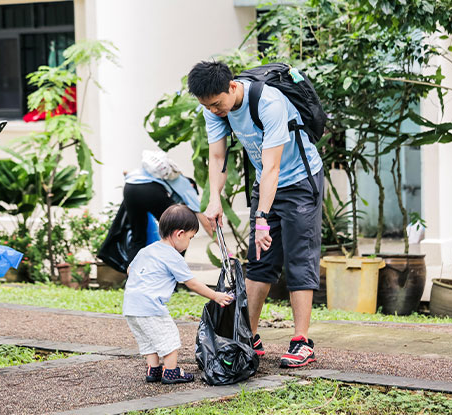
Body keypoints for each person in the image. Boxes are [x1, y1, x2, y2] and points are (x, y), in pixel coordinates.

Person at [188, 61, 323, 368]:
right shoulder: (212, 109)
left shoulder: (269, 102)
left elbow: (274, 166)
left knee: (299, 257)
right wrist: (214, 200)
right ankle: (248, 335)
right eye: (206, 106)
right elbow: (218, 156)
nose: (214, 110)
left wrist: (262, 218)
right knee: (260, 260)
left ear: (232, 87)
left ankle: (301, 341)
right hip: (265, 183)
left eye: (217, 104)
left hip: (300, 179)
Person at [123, 204, 233, 384]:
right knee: (169, 337)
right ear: (179, 234)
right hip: (151, 306)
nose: (189, 242)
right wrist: (216, 295)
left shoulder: (147, 250)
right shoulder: (173, 256)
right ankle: (171, 372)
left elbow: (129, 270)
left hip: (130, 306)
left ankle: (154, 370)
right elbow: (192, 283)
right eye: (190, 237)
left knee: (150, 339)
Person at [123, 152, 211, 263]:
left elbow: (125, 172)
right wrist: (226, 250)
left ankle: (132, 278)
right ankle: (172, 273)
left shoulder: (160, 174)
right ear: (193, 185)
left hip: (130, 188)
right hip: (150, 190)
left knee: (138, 238)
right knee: (180, 233)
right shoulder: (187, 187)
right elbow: (205, 222)